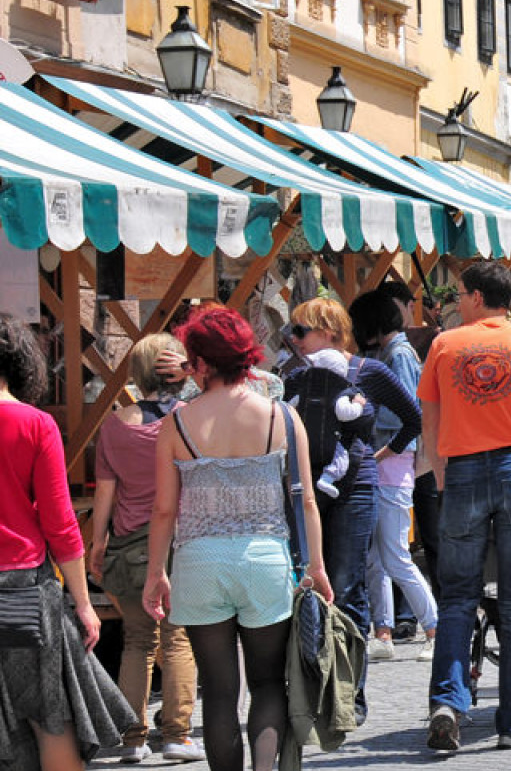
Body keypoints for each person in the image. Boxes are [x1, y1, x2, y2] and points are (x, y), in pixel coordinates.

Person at [145, 307, 327, 771]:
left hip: (199, 564)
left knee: (220, 692)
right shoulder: (281, 418)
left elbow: (164, 509)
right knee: (268, 685)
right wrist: (317, 567)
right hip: (265, 561)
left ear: (200, 363)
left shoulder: (176, 424)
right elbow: (306, 502)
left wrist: (155, 574)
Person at [418, 263, 511, 753]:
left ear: (479, 297)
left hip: (462, 470)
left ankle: (447, 702)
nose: (456, 303)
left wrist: (443, 475)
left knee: (458, 596)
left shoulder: (445, 345)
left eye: (461, 295)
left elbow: (430, 422)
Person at [1, 314, 135, 770]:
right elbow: (60, 525)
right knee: (50, 716)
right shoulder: (36, 425)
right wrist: (82, 602)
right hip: (23, 592)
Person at [281, 296, 421, 721]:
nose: (294, 339)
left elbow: (413, 418)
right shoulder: (292, 374)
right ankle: (311, 684)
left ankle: (349, 694)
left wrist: (381, 454)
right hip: (302, 488)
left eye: (302, 331)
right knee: (303, 586)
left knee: (346, 585)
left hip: (354, 486)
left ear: (330, 330)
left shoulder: (369, 371)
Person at [88, 334, 203, 762]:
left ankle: (132, 739)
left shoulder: (115, 425)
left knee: (138, 640)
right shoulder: (188, 418)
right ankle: (176, 734)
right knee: (177, 638)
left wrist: (98, 544)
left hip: (129, 547)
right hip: (180, 543)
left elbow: (105, 494)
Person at [347, 292, 438, 666]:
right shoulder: (391, 353)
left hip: (392, 459)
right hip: (388, 460)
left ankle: (436, 628)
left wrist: (362, 411)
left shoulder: (397, 355)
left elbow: (403, 414)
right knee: (376, 557)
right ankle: (382, 631)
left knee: (396, 555)